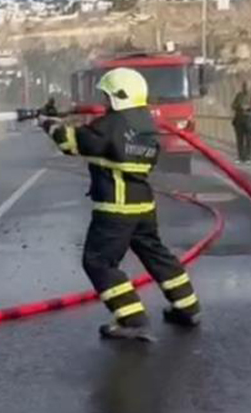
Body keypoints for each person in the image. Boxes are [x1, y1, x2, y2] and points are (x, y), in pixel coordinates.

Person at [36, 67, 201, 342]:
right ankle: (188, 308)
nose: (104, 101)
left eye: (107, 96)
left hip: (116, 208)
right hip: (143, 206)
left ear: (118, 96)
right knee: (157, 255)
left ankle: (132, 320)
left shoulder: (110, 125)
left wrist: (47, 123)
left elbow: (71, 143)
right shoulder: (145, 123)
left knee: (99, 262)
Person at [230, 80, 251, 162]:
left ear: (250, 86)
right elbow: (233, 105)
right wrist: (239, 106)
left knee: (249, 139)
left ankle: (248, 157)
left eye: (246, 85)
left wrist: (247, 107)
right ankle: (241, 156)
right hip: (239, 120)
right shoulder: (239, 95)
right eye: (244, 85)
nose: (245, 87)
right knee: (240, 139)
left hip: (248, 119)